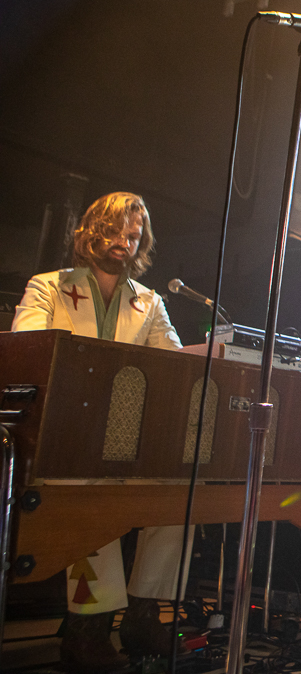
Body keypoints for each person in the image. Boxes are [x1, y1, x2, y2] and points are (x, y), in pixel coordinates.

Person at [13, 192, 191, 670]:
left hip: (130, 438)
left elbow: (175, 368)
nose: (123, 243)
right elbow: (29, 352)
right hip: (63, 437)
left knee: (183, 494)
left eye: (133, 236)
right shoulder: (49, 287)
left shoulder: (149, 302)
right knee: (92, 495)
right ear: (91, 231)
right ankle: (88, 627)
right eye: (114, 232)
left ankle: (144, 615)